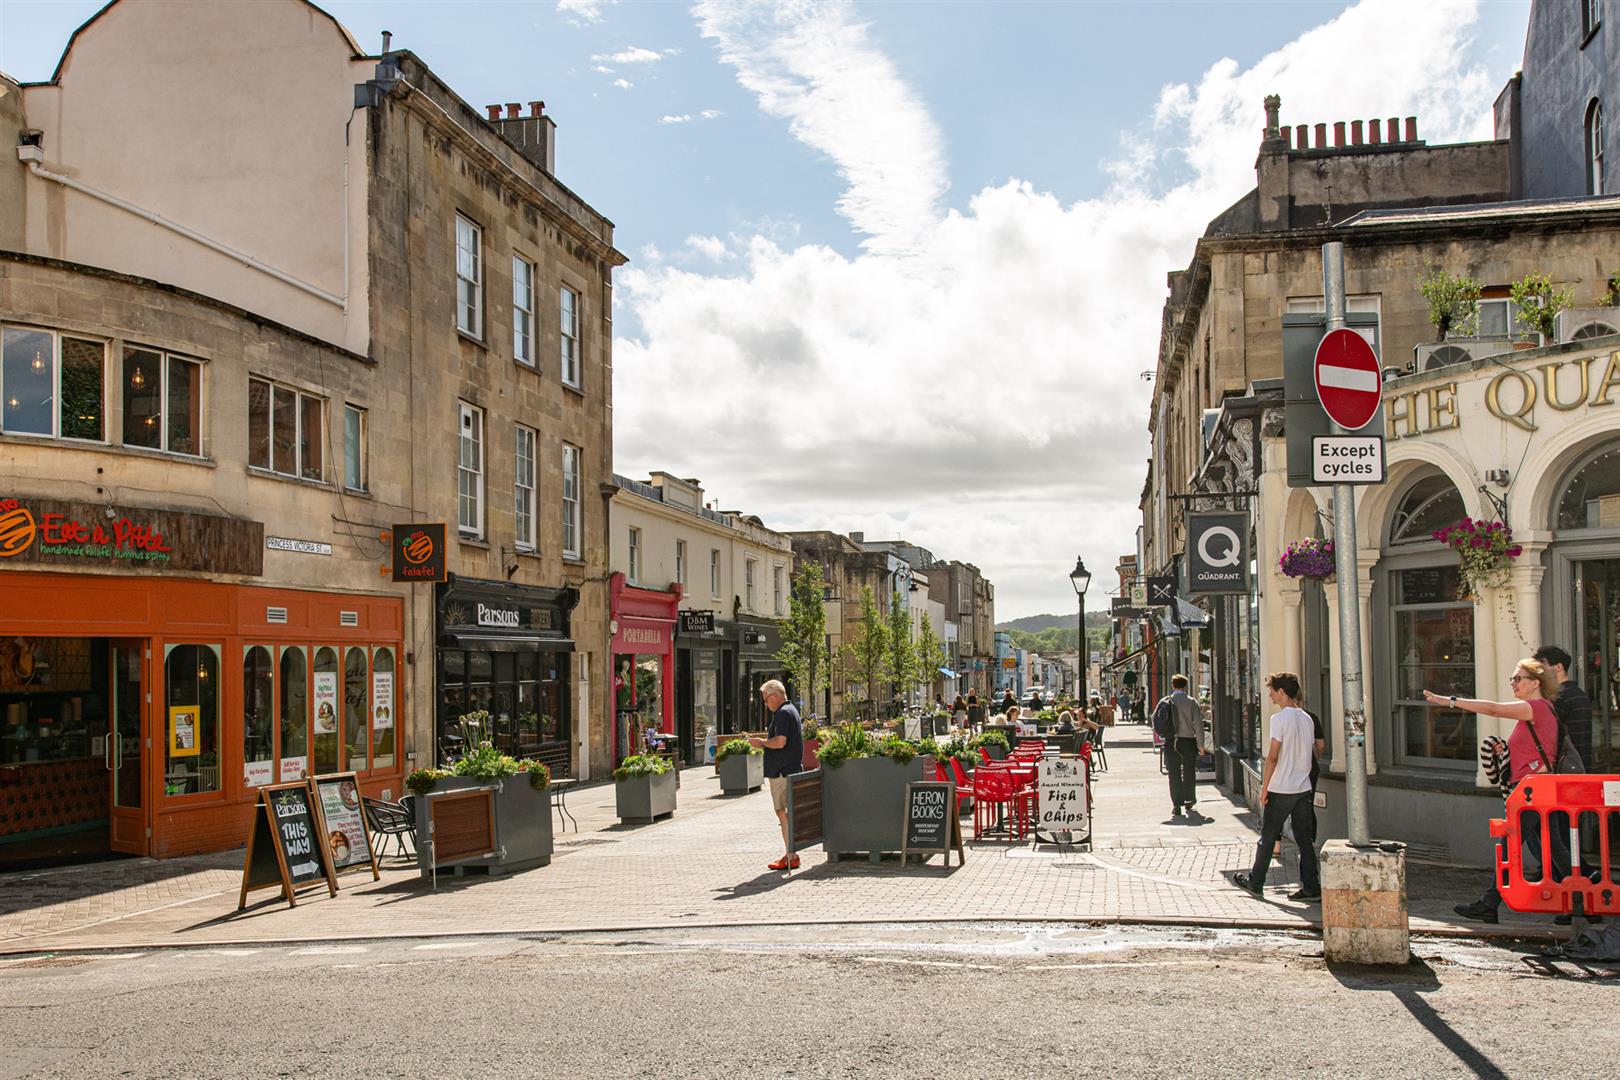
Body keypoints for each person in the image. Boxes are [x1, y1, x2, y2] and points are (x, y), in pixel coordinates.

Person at [1440, 658, 1572, 925]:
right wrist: (1505, 752)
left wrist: (1451, 701)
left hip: (1532, 791)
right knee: (1554, 848)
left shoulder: (1535, 707)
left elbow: (1494, 709)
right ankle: (1580, 902)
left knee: (1509, 845)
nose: (1513, 683)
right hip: (1536, 789)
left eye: (1517, 678)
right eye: (1512, 679)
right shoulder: (1541, 710)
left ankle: (1489, 904)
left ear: (1535, 683)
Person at [1234, 673, 1321, 902]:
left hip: (1282, 787)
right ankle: (1311, 886)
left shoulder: (1279, 720)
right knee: (1304, 839)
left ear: (1282, 692)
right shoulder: (1308, 719)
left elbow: (1272, 757)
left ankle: (1256, 881)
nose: (1270, 696)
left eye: (1272, 691)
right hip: (1303, 787)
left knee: (1268, 836)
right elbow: (1310, 752)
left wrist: (1265, 788)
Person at [749, 679, 804, 872]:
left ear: (774, 696)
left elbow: (780, 742)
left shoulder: (782, 714)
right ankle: (791, 853)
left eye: (765, 699)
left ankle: (791, 855)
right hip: (790, 768)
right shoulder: (792, 710)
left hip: (782, 771)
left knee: (782, 812)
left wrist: (761, 743)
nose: (765, 704)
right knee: (785, 812)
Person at [1152, 674, 1206, 818]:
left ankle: (1176, 804)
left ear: (1172, 685)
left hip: (1171, 741)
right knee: (1189, 770)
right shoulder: (1191, 702)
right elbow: (1198, 724)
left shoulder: (1165, 701)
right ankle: (1190, 798)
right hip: (1188, 741)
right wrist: (1201, 745)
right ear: (1185, 686)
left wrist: (1163, 735)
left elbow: (1154, 718)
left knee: (1173, 772)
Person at [1533, 644, 1592, 769]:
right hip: (1580, 765)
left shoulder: (1559, 697)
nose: (1540, 674)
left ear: (1559, 667)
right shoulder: (1578, 693)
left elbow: (1551, 738)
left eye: (1542, 668)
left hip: (1566, 767)